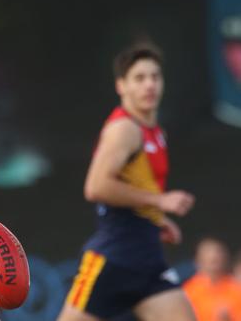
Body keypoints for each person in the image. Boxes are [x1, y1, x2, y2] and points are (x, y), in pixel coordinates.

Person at [56, 42, 196, 321]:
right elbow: (96, 187)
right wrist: (160, 201)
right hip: (113, 260)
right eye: (140, 78)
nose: (149, 85)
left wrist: (155, 217)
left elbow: (135, 186)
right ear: (121, 86)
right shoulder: (124, 129)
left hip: (147, 261)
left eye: (155, 77)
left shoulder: (155, 132)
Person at [183, 237, 241, 321]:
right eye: (210, 261)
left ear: (225, 260)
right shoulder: (188, 291)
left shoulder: (240, 290)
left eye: (217, 260)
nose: (214, 267)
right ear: (198, 261)